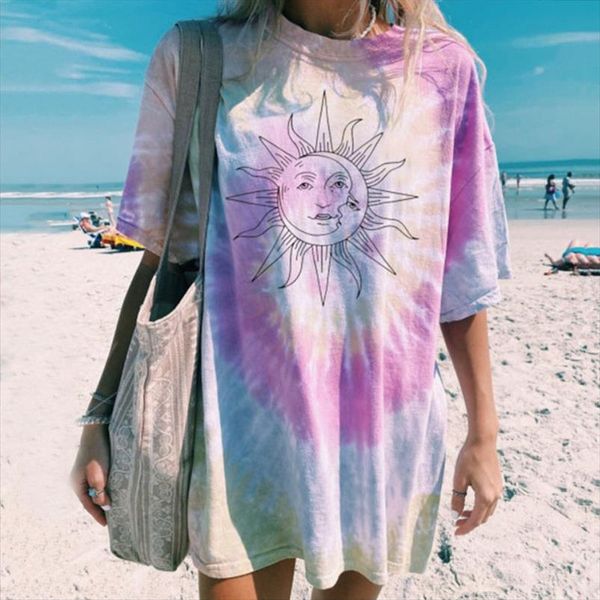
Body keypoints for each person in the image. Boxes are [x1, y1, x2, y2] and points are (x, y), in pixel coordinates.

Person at [70, 2, 512, 599]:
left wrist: (484, 434)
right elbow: (162, 259)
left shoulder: (440, 69)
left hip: (377, 437)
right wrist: (100, 415)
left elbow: (460, 280)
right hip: (239, 434)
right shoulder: (201, 57)